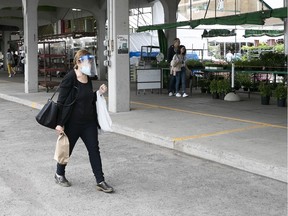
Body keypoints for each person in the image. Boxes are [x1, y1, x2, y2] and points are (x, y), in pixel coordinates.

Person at [54, 49, 114, 193]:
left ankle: (100, 180)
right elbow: (61, 102)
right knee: (67, 150)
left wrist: (98, 93)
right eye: (88, 61)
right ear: (79, 61)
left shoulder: (87, 77)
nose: (90, 63)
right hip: (73, 123)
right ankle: (59, 174)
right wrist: (59, 123)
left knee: (94, 150)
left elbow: (87, 97)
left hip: (89, 123)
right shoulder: (70, 78)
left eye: (91, 61)